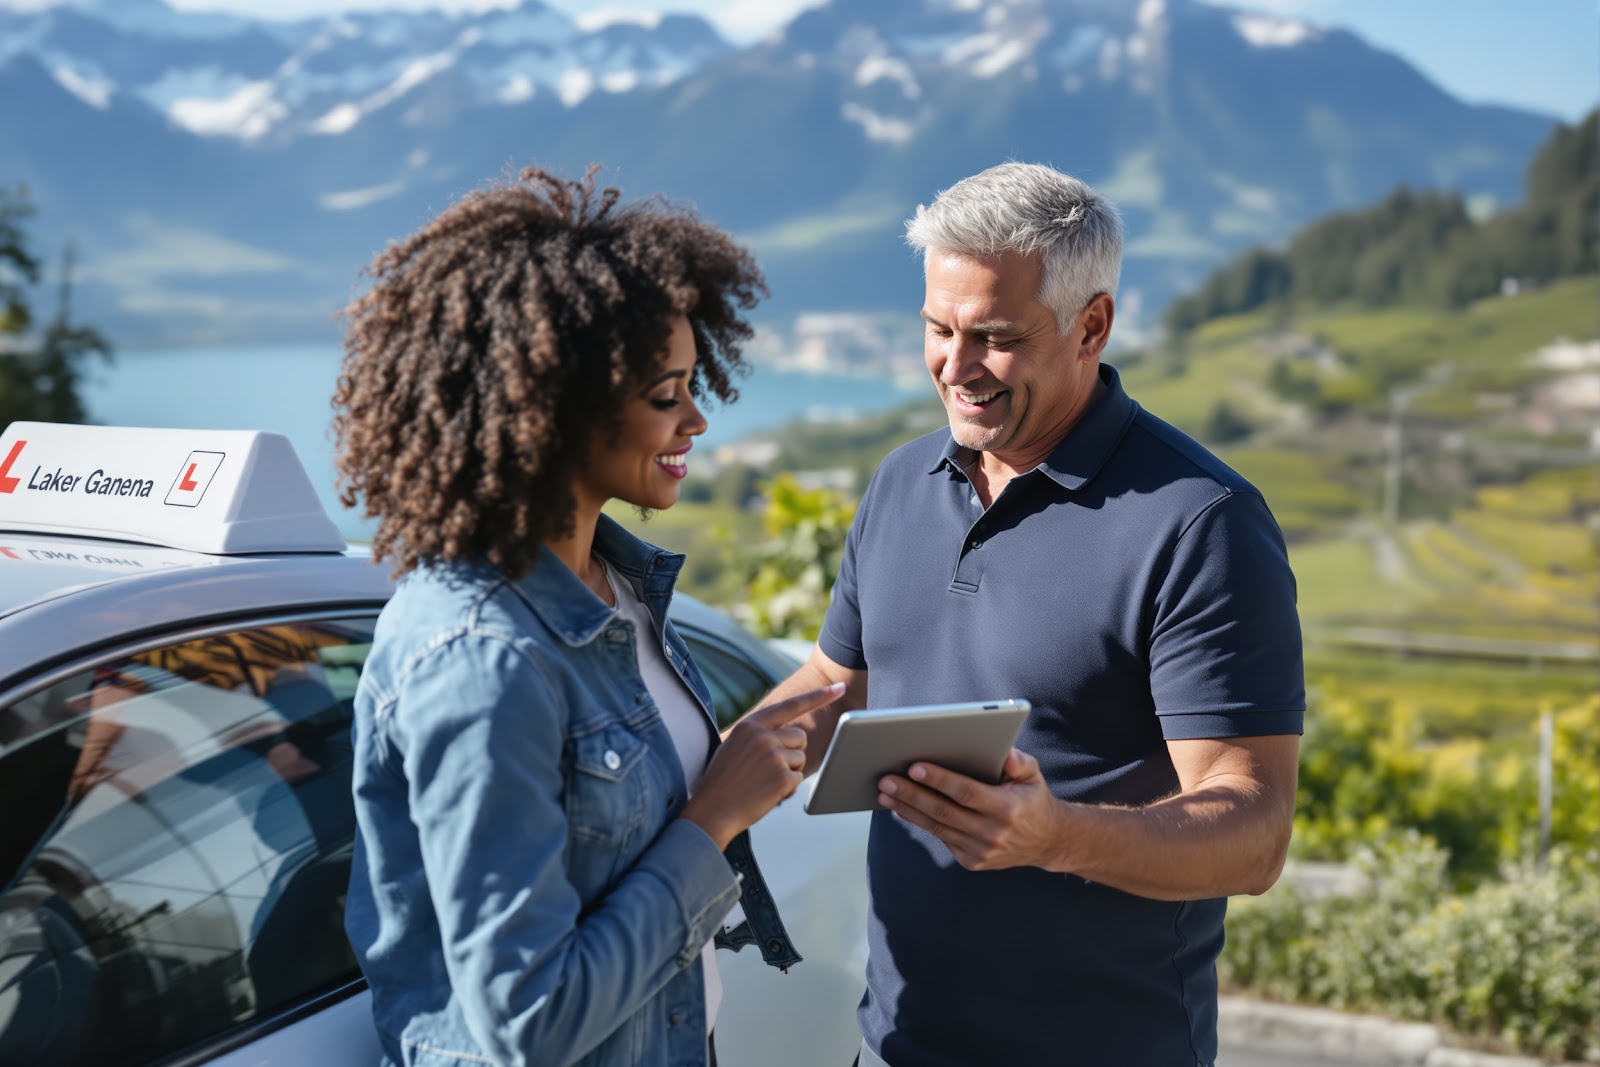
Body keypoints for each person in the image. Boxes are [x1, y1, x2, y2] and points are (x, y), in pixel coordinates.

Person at [758, 162, 1305, 1066]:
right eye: (938, 328)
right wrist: (686, 794)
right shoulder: (900, 482)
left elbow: (1253, 830)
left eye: (996, 337)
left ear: (1092, 324)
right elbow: (832, 683)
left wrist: (1057, 838)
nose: (957, 366)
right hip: (892, 1046)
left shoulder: (1201, 521)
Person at [334, 167, 842, 1067]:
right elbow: (530, 1020)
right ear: (553, 409)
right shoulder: (482, 661)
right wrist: (712, 820)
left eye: (694, 384)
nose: (696, 419)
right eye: (664, 395)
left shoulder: (617, 585)